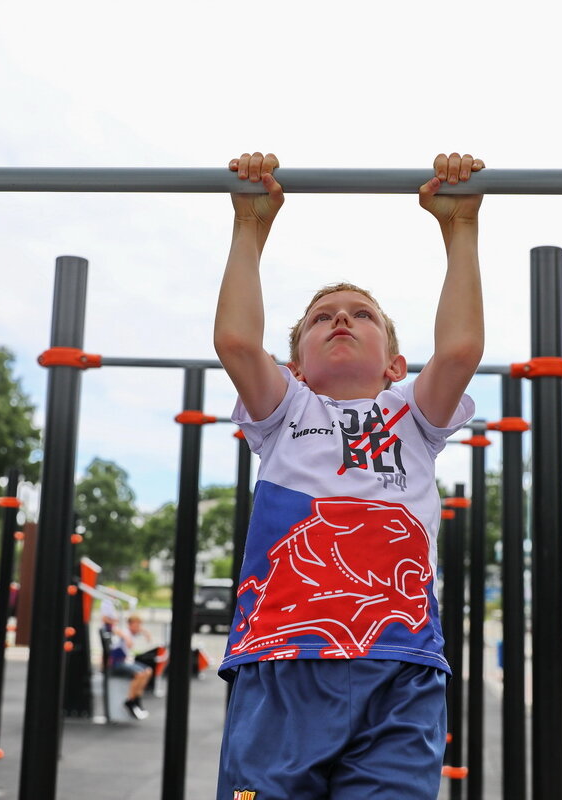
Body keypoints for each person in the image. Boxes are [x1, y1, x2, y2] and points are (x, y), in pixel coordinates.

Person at [213, 151, 485, 799]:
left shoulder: (412, 417)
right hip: (284, 656)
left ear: (395, 364)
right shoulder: (285, 410)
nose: (340, 318)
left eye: (360, 314)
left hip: (400, 665)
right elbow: (236, 343)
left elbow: (460, 349)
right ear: (295, 365)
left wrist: (461, 229)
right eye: (321, 317)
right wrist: (249, 226)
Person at [108, 613, 152, 720]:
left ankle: (137, 698)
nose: (138, 628)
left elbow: (140, 631)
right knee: (140, 674)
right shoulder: (125, 632)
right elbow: (114, 629)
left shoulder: (132, 632)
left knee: (148, 671)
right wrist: (126, 637)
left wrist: (145, 632)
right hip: (117, 663)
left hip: (125, 661)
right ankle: (130, 701)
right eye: (136, 626)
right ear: (130, 625)